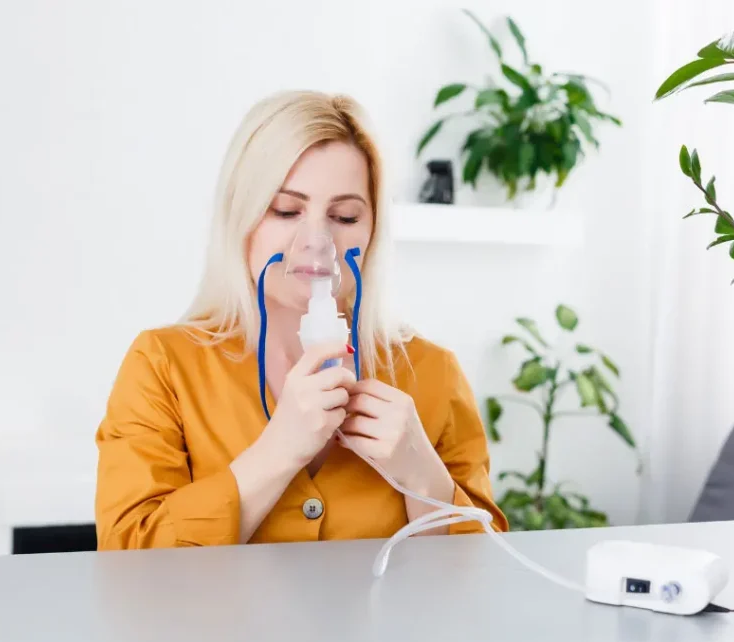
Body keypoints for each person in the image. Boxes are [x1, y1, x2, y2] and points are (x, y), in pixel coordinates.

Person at [95, 90, 508, 550]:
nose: (316, 241)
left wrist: (424, 479)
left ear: (373, 231)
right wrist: (278, 451)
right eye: (286, 210)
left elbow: (480, 581)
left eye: (345, 215)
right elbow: (128, 561)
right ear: (241, 215)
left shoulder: (431, 374)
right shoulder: (163, 367)